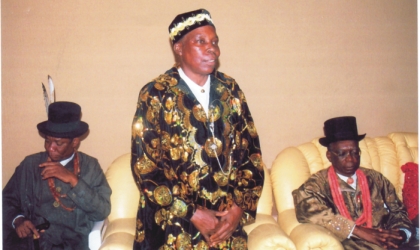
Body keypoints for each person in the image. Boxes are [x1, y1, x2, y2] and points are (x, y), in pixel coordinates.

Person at [131, 9, 265, 250]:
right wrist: (192, 213)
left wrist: (237, 210)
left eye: (214, 42)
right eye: (201, 41)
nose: (212, 48)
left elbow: (252, 154)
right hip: (174, 225)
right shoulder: (156, 94)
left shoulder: (230, 90)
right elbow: (145, 167)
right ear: (179, 48)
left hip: (225, 226)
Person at [293, 116, 415, 249]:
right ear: (329, 156)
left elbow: (398, 211)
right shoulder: (316, 185)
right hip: (352, 245)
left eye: (355, 152)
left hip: (389, 243)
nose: (350, 159)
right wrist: (358, 231)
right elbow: (308, 211)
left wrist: (400, 234)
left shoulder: (376, 179)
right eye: (342, 154)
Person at [3, 101, 112, 250]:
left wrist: (74, 180)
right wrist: (18, 220)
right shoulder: (30, 164)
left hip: (72, 245)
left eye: (58, 143)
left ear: (75, 142)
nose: (50, 148)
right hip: (32, 244)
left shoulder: (90, 167)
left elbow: (102, 211)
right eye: (47, 141)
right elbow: (6, 200)